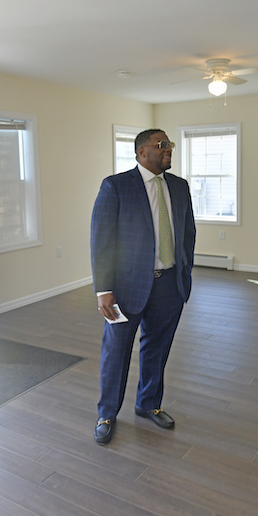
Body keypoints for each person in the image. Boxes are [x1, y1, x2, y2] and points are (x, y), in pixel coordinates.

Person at [90, 129, 196, 445]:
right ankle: (107, 413)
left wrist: (184, 272)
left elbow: (187, 232)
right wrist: (103, 289)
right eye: (161, 145)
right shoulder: (116, 187)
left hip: (169, 287)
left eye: (169, 145)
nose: (168, 150)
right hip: (124, 290)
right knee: (116, 351)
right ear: (141, 152)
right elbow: (102, 241)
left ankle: (148, 404)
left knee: (157, 348)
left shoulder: (179, 187)